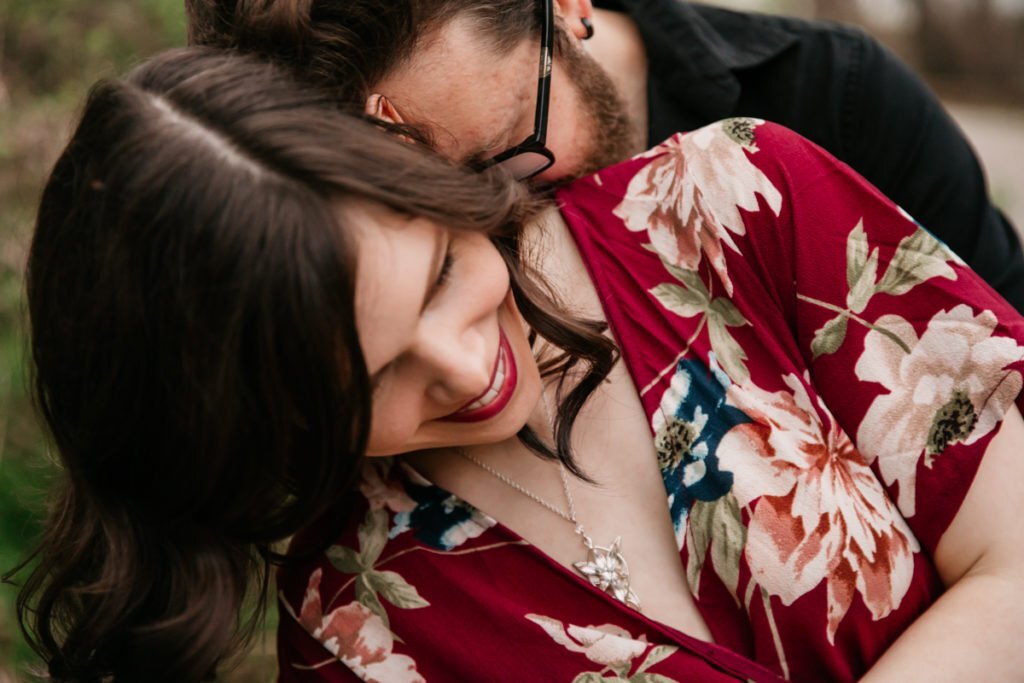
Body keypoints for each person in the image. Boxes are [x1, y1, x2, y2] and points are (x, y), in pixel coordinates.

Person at [12, 47, 1024, 683]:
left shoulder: (733, 202)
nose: (460, 367)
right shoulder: (359, 630)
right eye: (369, 385)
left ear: (410, 163)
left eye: (442, 274)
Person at [184, 0, 1024, 313]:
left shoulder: (833, 99)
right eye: (427, 199)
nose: (489, 216)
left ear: (567, 6)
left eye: (508, 151)